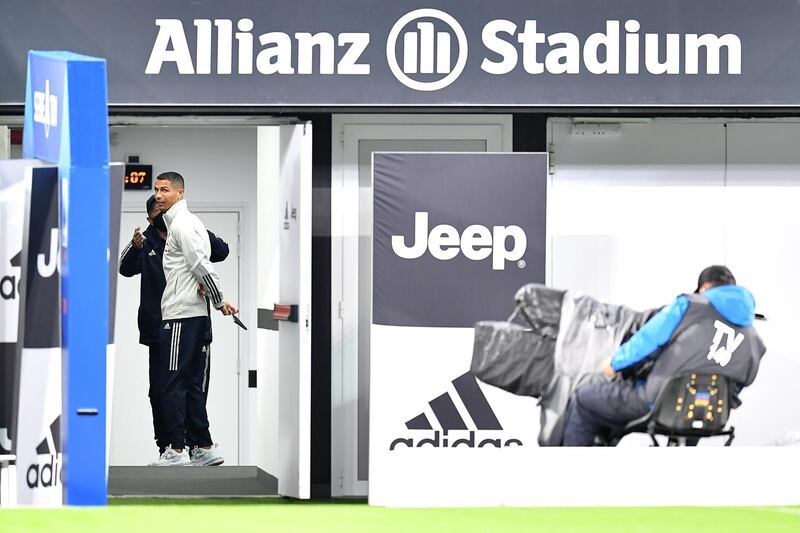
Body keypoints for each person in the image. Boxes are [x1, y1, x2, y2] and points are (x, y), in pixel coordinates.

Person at [562, 265, 766, 446]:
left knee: (583, 399)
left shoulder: (690, 305)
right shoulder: (753, 337)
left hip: (655, 403)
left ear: (704, 287)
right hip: (710, 415)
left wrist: (615, 363)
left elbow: (648, 338)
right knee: (681, 415)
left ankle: (572, 481)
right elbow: (742, 383)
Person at [119, 195, 230, 462]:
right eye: (155, 209)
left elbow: (221, 252)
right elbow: (123, 268)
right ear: (149, 217)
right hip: (159, 328)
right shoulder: (145, 241)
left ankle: (195, 446)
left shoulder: (187, 228)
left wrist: (196, 229)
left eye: (163, 206)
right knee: (161, 389)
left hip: (191, 323)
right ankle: (169, 445)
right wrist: (135, 247)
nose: (161, 211)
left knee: (194, 387)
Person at [151, 171, 239, 466]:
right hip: (192, 317)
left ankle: (176, 450)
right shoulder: (181, 223)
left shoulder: (184, 225)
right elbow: (195, 268)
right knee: (190, 385)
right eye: (156, 190)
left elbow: (201, 265)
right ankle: (202, 446)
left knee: (173, 384)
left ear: (180, 193)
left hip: (181, 317)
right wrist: (216, 299)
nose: (159, 195)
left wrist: (219, 299)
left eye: (165, 190)